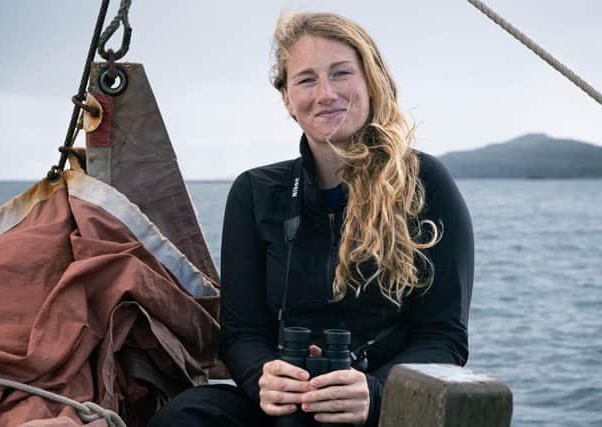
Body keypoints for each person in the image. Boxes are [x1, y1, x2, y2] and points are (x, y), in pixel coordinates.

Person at [150, 11, 473, 427]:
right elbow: (241, 333)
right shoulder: (255, 192)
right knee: (186, 415)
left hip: (381, 407)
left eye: (340, 74)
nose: (325, 94)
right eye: (306, 80)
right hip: (284, 406)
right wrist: (264, 377)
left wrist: (375, 395)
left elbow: (444, 338)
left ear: (371, 82)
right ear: (287, 98)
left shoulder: (425, 183)